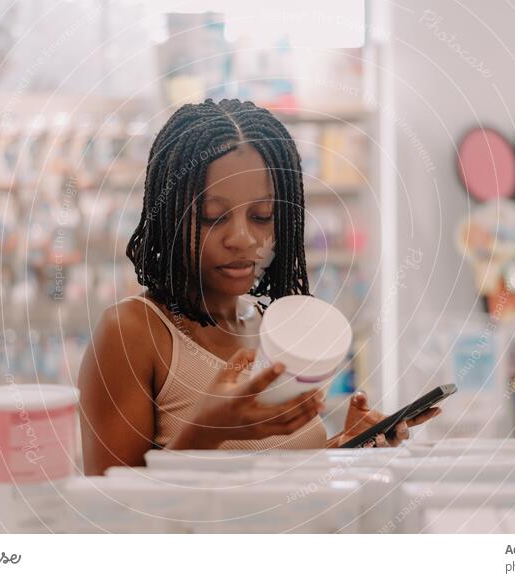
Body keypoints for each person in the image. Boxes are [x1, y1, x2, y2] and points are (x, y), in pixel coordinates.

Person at [78, 98, 440, 474]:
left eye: (261, 216)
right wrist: (207, 432)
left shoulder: (273, 326)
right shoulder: (131, 333)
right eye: (212, 217)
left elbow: (278, 482)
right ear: (170, 214)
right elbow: (113, 517)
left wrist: (344, 449)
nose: (242, 239)